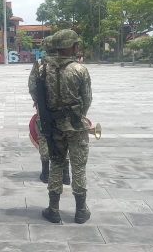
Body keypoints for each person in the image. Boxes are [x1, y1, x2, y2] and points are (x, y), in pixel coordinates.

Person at [28, 29, 92, 224]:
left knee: (56, 164)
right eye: (76, 44)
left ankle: (53, 209)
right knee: (78, 166)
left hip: (52, 124)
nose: (78, 47)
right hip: (75, 125)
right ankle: (81, 210)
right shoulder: (79, 70)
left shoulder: (40, 67)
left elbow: (33, 91)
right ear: (69, 46)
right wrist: (78, 115)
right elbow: (87, 99)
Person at [32, 35, 71, 185]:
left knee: (44, 137)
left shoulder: (40, 64)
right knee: (66, 139)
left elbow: (32, 86)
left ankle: (46, 173)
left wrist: (37, 100)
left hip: (45, 110)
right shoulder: (71, 64)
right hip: (67, 111)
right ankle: (66, 174)